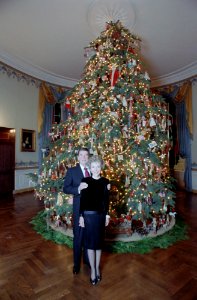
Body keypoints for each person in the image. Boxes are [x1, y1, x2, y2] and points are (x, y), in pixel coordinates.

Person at [79, 155, 110, 285]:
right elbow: (83, 201)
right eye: (93, 167)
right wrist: (81, 216)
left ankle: (97, 268)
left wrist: (107, 215)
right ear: (89, 168)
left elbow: (106, 201)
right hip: (88, 216)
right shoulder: (85, 180)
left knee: (98, 245)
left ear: (101, 167)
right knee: (90, 245)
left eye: (98, 166)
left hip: (100, 216)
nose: (96, 169)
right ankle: (93, 271)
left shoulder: (105, 181)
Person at [63, 147, 90, 275]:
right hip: (79, 209)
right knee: (78, 237)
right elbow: (66, 188)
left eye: (86, 155)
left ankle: (87, 260)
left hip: (91, 211)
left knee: (88, 236)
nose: (84, 157)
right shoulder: (72, 171)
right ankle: (76, 264)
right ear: (78, 157)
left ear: (88, 157)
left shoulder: (93, 170)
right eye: (81, 155)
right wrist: (78, 189)